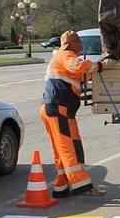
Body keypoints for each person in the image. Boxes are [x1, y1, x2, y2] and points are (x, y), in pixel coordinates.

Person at [40, 30, 109, 197]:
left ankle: (61, 186)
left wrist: (96, 68)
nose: (81, 44)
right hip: (58, 109)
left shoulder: (62, 57)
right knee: (68, 148)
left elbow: (78, 74)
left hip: (57, 110)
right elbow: (78, 67)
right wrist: (98, 65)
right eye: (78, 41)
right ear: (71, 43)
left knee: (66, 148)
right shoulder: (66, 55)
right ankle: (82, 186)